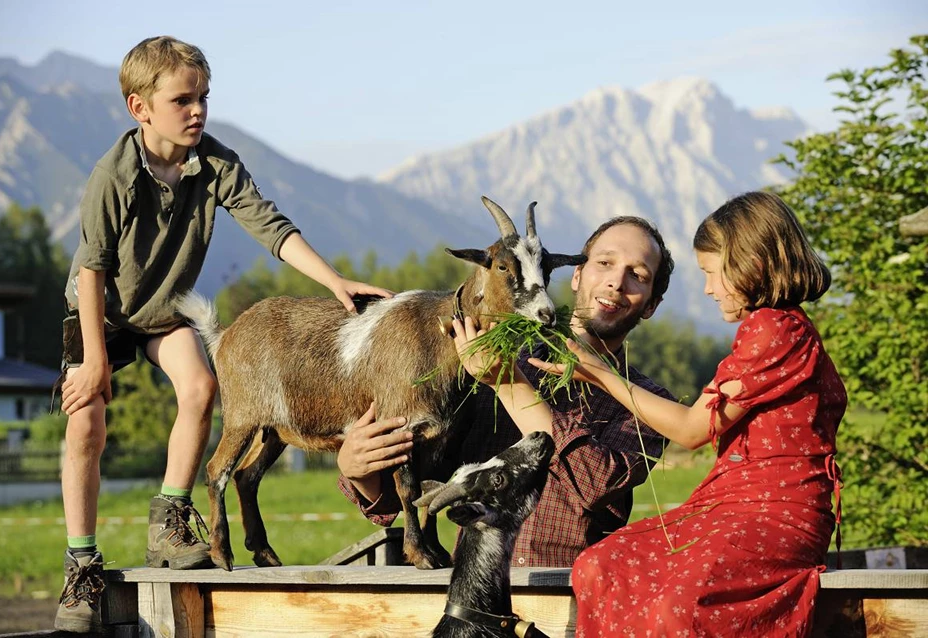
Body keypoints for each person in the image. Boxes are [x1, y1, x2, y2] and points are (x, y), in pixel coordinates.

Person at [53, 36, 390, 634]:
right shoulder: (113, 175)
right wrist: (95, 362)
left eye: (204, 97)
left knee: (202, 388)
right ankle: (81, 565)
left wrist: (333, 280)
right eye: (183, 99)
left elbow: (270, 226)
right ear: (140, 108)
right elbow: (91, 268)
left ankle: (172, 518)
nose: (198, 110)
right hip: (98, 309)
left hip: (163, 310)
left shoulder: (215, 162)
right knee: (86, 421)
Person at [531, 191, 846, 637]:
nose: (708, 289)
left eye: (712, 273)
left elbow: (694, 428)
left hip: (773, 511)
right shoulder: (773, 328)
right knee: (600, 564)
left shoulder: (776, 328)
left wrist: (602, 375)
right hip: (731, 506)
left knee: (684, 604)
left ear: (750, 264)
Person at [337, 216, 676, 567]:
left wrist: (510, 384)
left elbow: (595, 486)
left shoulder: (649, 404)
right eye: (604, 263)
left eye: (638, 275)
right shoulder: (487, 362)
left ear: (651, 304)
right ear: (576, 275)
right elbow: (421, 479)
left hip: (566, 597)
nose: (616, 282)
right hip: (467, 591)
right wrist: (358, 470)